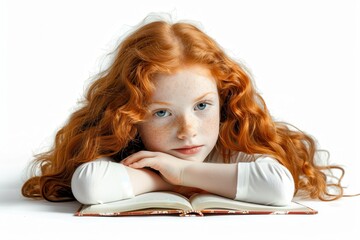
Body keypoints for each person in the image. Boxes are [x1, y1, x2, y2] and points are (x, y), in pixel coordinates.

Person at [21, 17, 346, 206]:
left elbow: (277, 187)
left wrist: (180, 173)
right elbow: (91, 185)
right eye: (162, 113)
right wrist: (169, 177)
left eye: (202, 106)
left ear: (225, 101)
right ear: (130, 117)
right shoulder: (123, 147)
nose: (188, 130)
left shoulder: (233, 144)